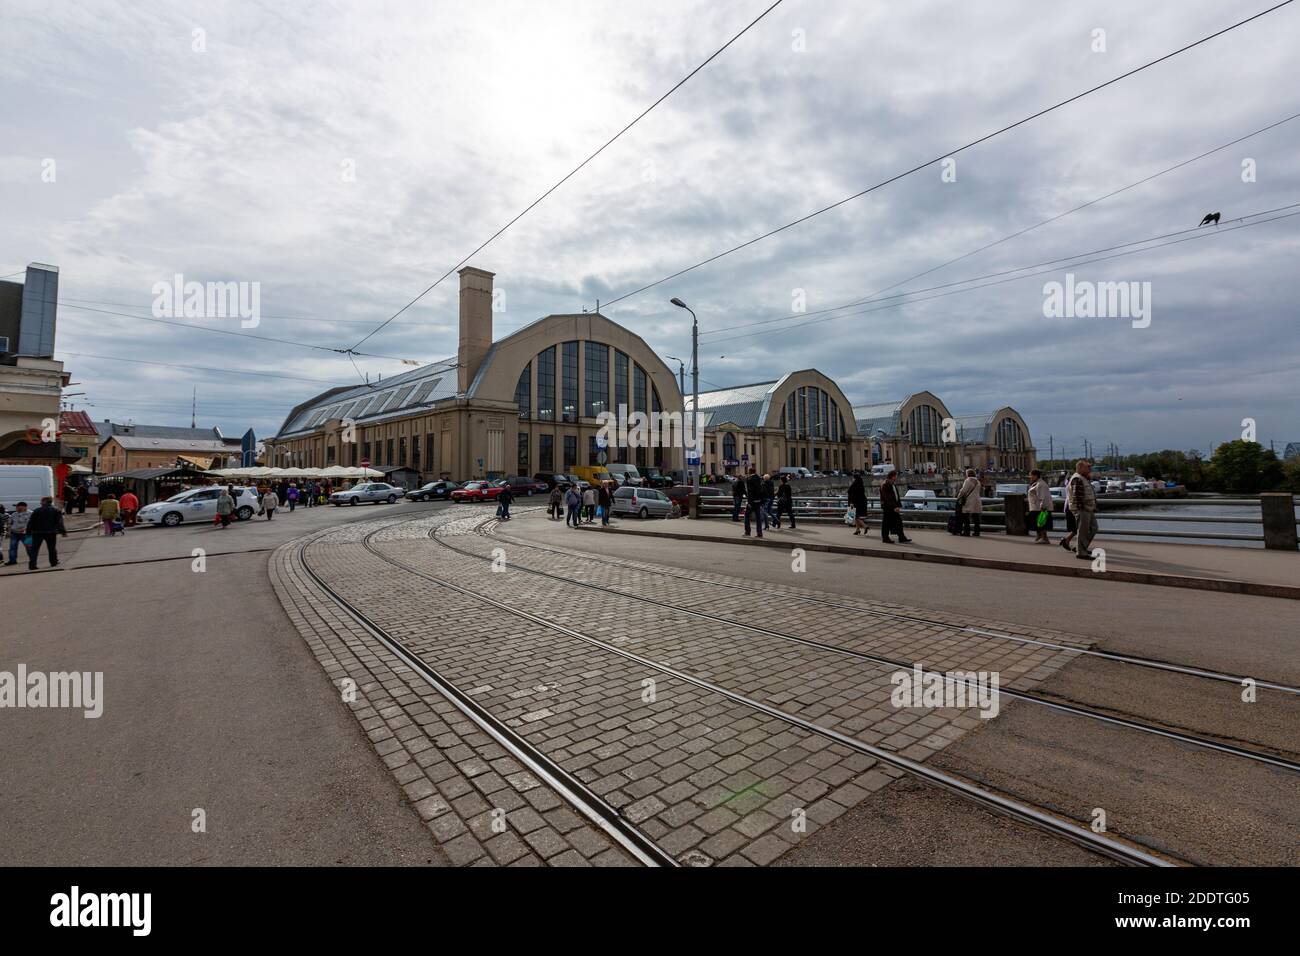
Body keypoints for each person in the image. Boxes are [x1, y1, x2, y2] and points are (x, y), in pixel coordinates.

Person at [1067, 459, 1098, 560]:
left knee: (1093, 528)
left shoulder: (1083, 478)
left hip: (1087, 508)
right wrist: (1082, 509)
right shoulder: (1078, 479)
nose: (1090, 468)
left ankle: (1080, 547)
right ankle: (1081, 552)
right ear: (1080, 468)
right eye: (1087, 467)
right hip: (1082, 509)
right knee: (1083, 530)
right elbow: (1077, 496)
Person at [26, 496, 67, 569]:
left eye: (41, 501)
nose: (40, 502)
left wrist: (28, 532)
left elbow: (31, 522)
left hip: (37, 533)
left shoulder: (37, 510)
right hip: (51, 532)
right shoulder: (55, 510)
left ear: (45, 502)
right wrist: (62, 531)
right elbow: (59, 522)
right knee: (52, 548)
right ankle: (53, 562)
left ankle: (32, 565)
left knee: (34, 549)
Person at [879, 470, 912, 544]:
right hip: (888, 507)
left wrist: (897, 505)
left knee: (897, 522)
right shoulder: (885, 484)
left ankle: (901, 537)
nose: (896, 477)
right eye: (895, 476)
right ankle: (886, 538)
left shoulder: (891, 484)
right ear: (892, 476)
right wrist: (894, 507)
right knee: (886, 523)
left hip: (893, 507)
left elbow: (895, 496)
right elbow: (888, 498)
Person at [1027, 468, 1053, 544]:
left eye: (1031, 475)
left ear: (1035, 476)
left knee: (1041, 523)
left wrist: (1042, 507)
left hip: (1039, 508)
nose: (1030, 477)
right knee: (1039, 523)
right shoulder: (1037, 483)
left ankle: (1044, 538)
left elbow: (1042, 497)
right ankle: (1040, 537)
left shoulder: (1040, 484)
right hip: (1035, 507)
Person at [957, 469, 982, 537]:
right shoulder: (978, 481)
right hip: (977, 500)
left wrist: (958, 497)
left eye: (966, 474)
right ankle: (977, 532)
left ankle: (966, 532)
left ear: (968, 474)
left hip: (969, 501)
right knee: (976, 517)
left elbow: (963, 491)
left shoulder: (968, 480)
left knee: (966, 517)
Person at [743, 467, 766, 538]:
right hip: (758, 501)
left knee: (746, 515)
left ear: (750, 472)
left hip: (752, 501)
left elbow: (750, 492)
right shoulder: (759, 479)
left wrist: (749, 502)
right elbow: (762, 491)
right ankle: (759, 533)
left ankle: (747, 532)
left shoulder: (749, 480)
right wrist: (761, 500)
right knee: (758, 518)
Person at [847, 472, 869, 536]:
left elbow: (852, 493)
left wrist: (851, 502)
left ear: (854, 478)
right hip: (861, 502)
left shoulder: (854, 484)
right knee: (856, 516)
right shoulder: (861, 483)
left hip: (855, 502)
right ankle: (857, 530)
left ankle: (865, 526)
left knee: (855, 516)